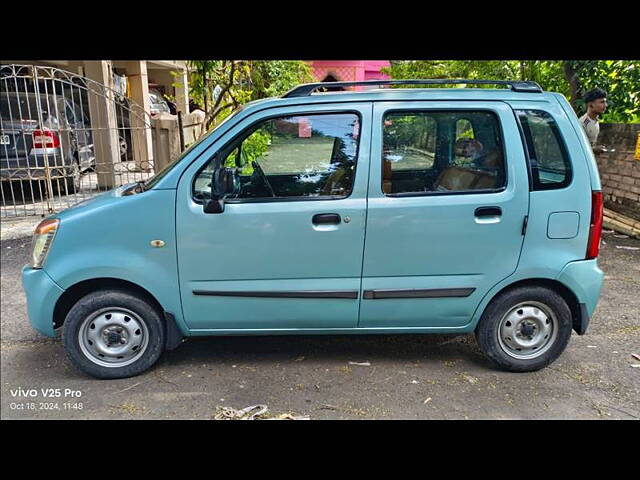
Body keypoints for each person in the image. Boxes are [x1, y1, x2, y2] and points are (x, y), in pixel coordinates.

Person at [579, 88, 608, 153]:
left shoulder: (595, 120)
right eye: (602, 102)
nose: (605, 105)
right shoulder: (582, 124)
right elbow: (578, 147)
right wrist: (594, 150)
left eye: (605, 102)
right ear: (590, 105)